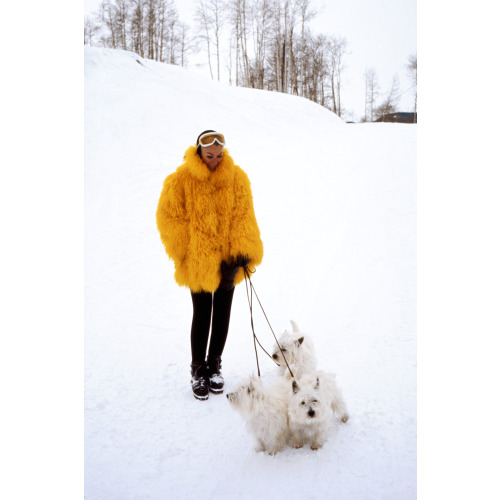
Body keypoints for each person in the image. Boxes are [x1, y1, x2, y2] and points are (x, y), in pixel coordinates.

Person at [156, 130, 264, 400]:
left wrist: (242, 251)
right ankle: (197, 370)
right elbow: (168, 218)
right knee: (202, 314)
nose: (214, 160)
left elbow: (244, 214)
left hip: (229, 260)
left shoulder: (237, 177)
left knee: (223, 312)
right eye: (209, 155)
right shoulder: (180, 179)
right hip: (200, 260)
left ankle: (214, 365)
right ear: (199, 152)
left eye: (218, 155)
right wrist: (189, 250)